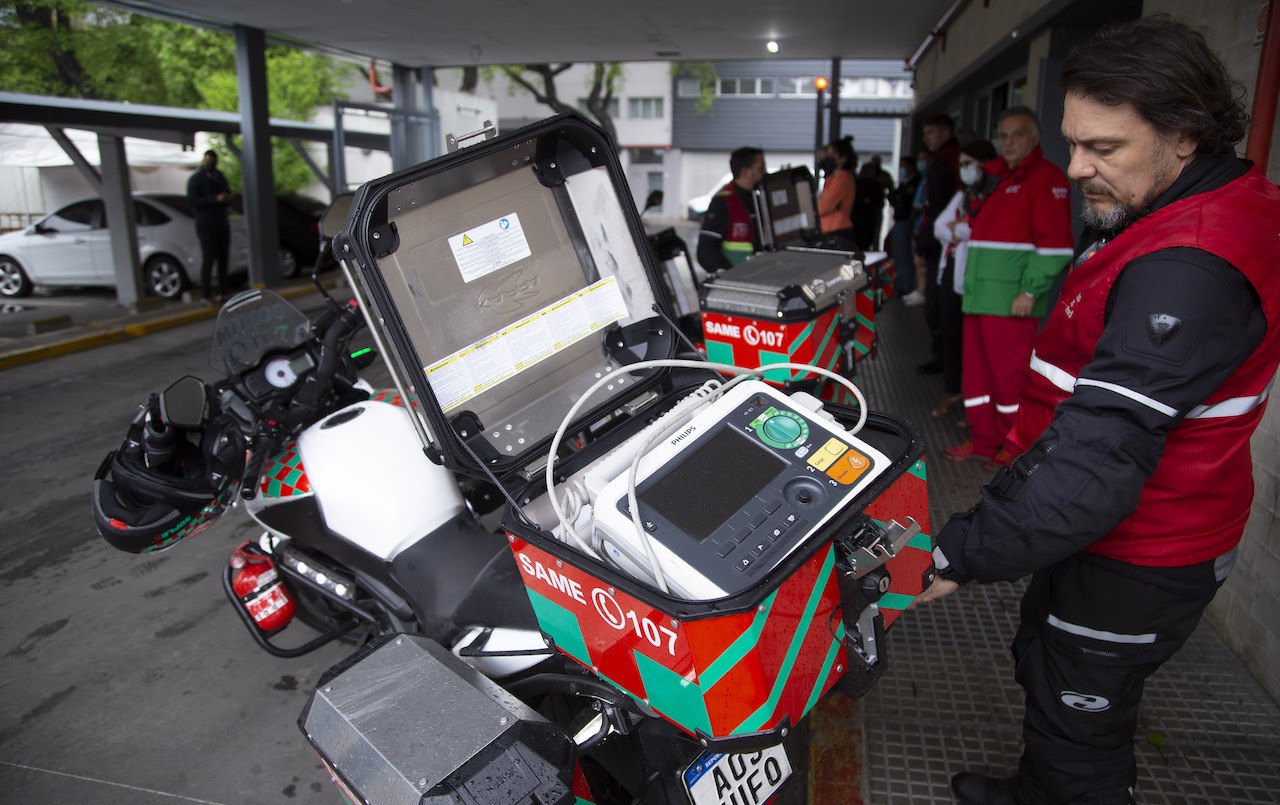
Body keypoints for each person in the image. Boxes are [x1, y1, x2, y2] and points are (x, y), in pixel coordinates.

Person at [916, 15, 1280, 805]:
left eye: (1103, 149)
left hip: (1140, 548)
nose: (1076, 168)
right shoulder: (1191, 205)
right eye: (1073, 141)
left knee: (1084, 722)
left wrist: (957, 553)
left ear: (1185, 135)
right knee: (1051, 666)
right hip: (1121, 531)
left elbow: (1095, 460)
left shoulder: (1189, 267)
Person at [942, 107, 1073, 464]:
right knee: (978, 380)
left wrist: (1030, 290)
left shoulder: (1046, 178)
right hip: (979, 296)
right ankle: (984, 441)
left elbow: (1056, 247)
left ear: (1035, 138)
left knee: (1009, 380)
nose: (1009, 141)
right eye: (1004, 135)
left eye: (1017, 134)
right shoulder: (997, 179)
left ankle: (1014, 445)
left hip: (1012, 300)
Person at [929, 139, 999, 423]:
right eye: (961, 164)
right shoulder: (964, 196)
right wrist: (963, 230)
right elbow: (938, 226)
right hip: (953, 269)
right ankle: (953, 390)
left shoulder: (995, 195)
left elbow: (985, 231)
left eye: (968, 164)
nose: (964, 170)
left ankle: (977, 406)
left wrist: (959, 229)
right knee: (950, 333)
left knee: (976, 342)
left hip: (982, 276)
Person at [914, 114, 961, 373]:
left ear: (945, 132)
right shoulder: (952, 160)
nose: (926, 139)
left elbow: (936, 211)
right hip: (950, 243)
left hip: (942, 245)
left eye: (930, 133)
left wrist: (923, 245)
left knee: (936, 304)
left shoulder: (943, 163)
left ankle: (942, 361)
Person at [697, 147, 766, 272]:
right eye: (761, 168)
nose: (765, 172)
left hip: (760, 273)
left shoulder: (758, 199)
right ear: (745, 172)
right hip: (739, 279)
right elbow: (706, 252)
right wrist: (729, 277)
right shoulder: (723, 202)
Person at [186, 150, 233, 306]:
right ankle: (206, 295)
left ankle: (223, 292)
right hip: (206, 223)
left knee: (223, 259)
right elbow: (193, 201)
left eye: (213, 160)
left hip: (221, 221)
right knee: (208, 259)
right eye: (209, 160)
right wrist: (214, 199)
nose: (211, 163)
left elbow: (228, 193)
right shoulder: (197, 179)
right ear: (204, 160)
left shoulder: (219, 177)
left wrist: (226, 198)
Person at [890, 156, 923, 301]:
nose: (902, 169)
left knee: (905, 255)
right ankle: (902, 285)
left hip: (907, 221)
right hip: (900, 219)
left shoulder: (916, 182)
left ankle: (906, 286)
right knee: (899, 253)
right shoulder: (904, 183)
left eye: (905, 165)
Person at [817, 136, 856, 234]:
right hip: (827, 228)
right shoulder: (831, 178)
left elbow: (823, 206)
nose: (828, 158)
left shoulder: (844, 177)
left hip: (837, 230)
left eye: (832, 155)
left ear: (843, 158)